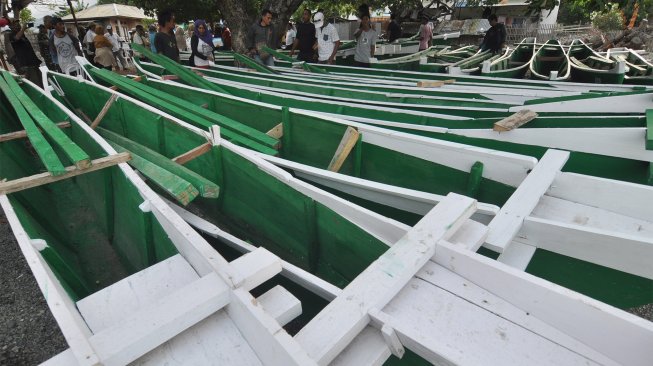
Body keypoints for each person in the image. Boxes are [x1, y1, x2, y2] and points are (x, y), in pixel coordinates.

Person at [8, 19, 42, 87]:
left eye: (19, 24)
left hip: (33, 63)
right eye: (15, 25)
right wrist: (23, 29)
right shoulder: (10, 34)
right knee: (36, 85)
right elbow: (16, 38)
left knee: (40, 82)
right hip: (26, 65)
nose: (18, 26)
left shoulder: (22, 34)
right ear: (11, 26)